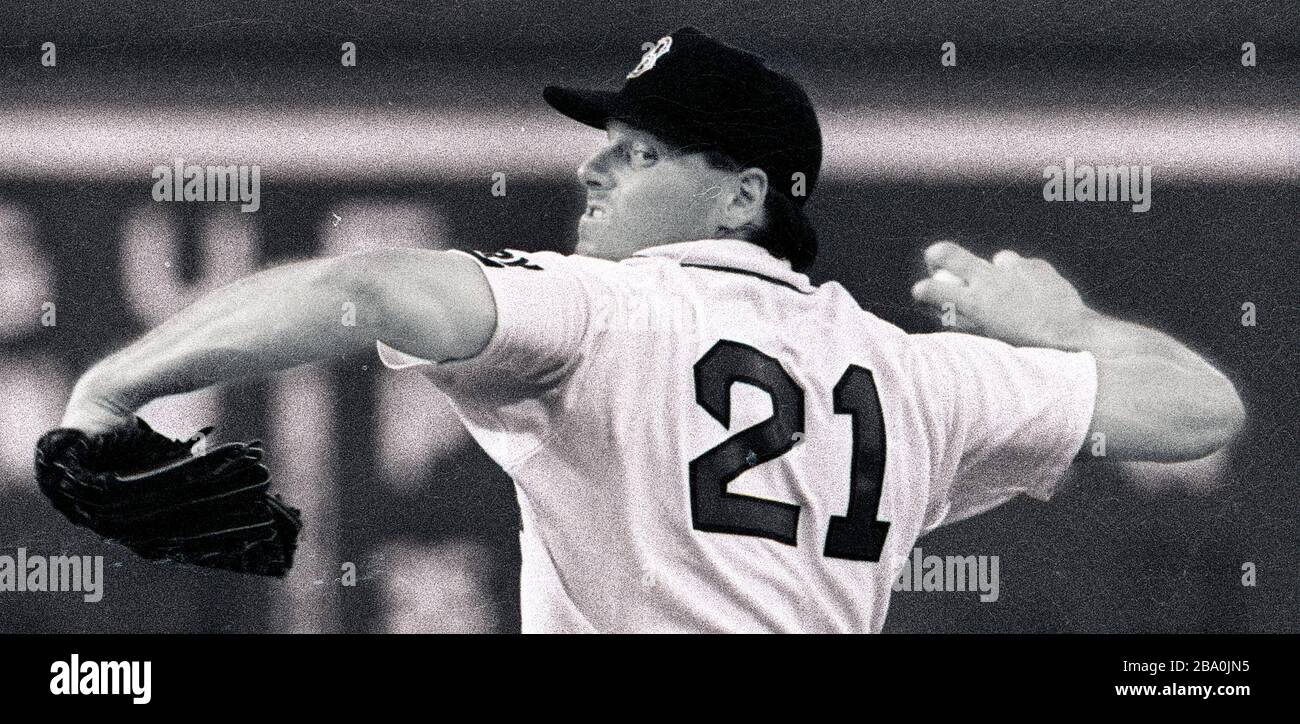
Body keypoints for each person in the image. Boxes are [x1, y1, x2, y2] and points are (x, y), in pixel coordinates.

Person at [59, 27, 1245, 632]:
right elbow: (1198, 411)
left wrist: (113, 387)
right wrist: (1071, 324)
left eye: (640, 152)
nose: (593, 167)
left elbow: (360, 289)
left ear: (743, 195)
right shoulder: (915, 375)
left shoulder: (605, 310)